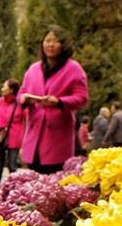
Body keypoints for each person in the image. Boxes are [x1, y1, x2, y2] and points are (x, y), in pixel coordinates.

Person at [17, 25, 89, 173]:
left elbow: (82, 97)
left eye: (55, 41)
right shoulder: (33, 69)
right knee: (34, 179)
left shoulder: (73, 68)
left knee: (55, 178)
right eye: (47, 40)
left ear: (63, 45)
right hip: (34, 133)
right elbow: (21, 92)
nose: (50, 45)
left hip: (58, 135)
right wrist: (24, 98)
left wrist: (59, 101)